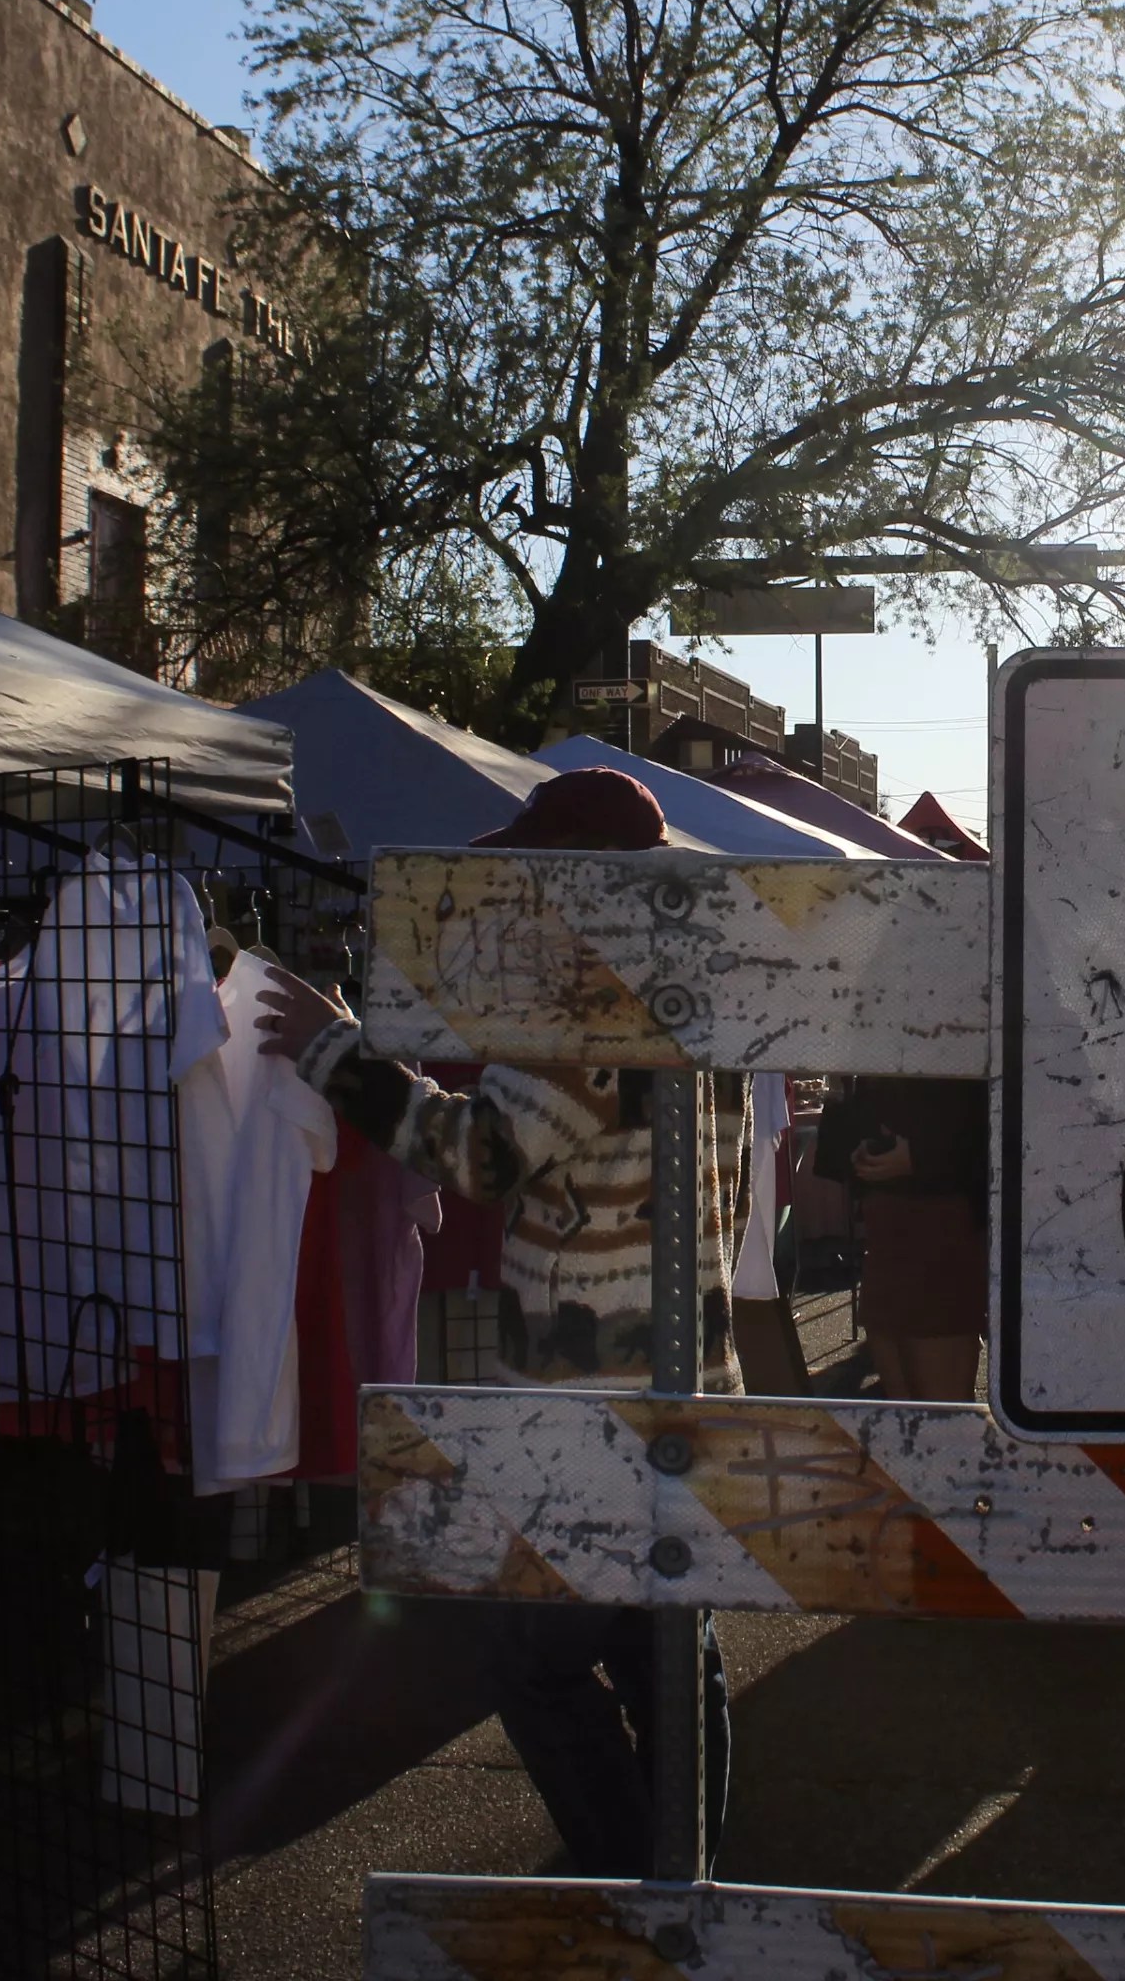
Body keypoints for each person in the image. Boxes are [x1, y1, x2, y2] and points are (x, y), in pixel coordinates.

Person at [253, 766, 727, 1875]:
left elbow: (483, 1157)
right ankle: (688, 1872)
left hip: (592, 1389)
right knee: (663, 1642)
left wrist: (339, 1055)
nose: (517, 890)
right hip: (670, 1364)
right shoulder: (687, 988)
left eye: (534, 869)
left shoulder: (592, 1000)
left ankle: (639, 1884)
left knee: (536, 1657)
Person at [814, 1075, 986, 1401]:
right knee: (906, 1413)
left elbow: (995, 1111)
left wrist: (922, 1156)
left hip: (941, 1221)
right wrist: (858, 1146)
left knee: (940, 1412)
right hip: (888, 1224)